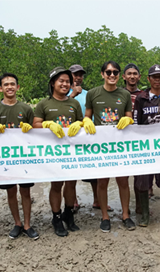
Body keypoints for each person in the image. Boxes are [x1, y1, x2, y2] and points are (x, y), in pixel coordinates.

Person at [84, 61, 136, 232]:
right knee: (102, 181)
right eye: (108, 72)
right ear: (102, 74)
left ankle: (125, 215)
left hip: (120, 145)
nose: (112, 75)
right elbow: (87, 115)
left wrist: (128, 119)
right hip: (101, 146)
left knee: (123, 180)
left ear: (119, 75)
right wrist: (85, 121)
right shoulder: (93, 93)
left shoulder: (125, 94)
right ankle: (105, 216)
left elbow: (129, 116)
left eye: (115, 72)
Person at [33, 67, 85, 237]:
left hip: (71, 150)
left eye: (67, 81)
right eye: (61, 81)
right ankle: (56, 217)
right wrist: (47, 124)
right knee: (57, 184)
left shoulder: (74, 103)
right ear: (53, 83)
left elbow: (80, 123)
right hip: (53, 152)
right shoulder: (44, 104)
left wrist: (82, 123)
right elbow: (35, 124)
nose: (65, 84)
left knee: (71, 183)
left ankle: (69, 214)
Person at [0, 73, 38, 239]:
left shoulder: (26, 109)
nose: (10, 87)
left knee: (26, 191)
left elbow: (36, 134)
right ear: (0, 88)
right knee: (10, 192)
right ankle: (17, 223)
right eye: (6, 84)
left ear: (18, 87)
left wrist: (30, 129)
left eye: (12, 84)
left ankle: (28, 224)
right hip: (4, 158)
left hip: (24, 157)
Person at [131, 64, 160, 227]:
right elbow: (136, 122)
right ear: (149, 79)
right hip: (146, 148)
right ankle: (145, 215)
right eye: (154, 77)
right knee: (143, 181)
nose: (157, 80)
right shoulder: (141, 98)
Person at [67, 64, 97, 212]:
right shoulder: (62, 94)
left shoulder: (88, 94)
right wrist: (71, 95)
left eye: (80, 75)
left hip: (87, 135)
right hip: (69, 137)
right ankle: (73, 201)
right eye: (75, 74)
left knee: (94, 171)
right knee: (71, 171)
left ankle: (97, 200)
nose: (78, 77)